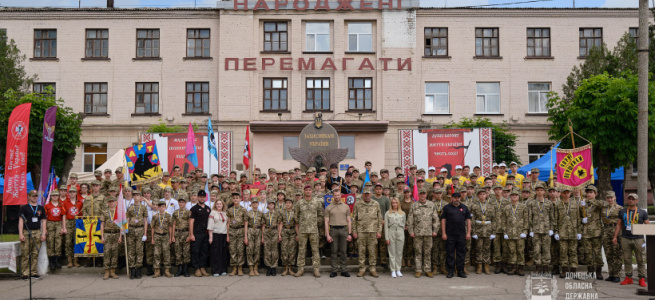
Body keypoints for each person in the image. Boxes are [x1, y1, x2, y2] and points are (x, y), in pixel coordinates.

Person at [614, 193, 650, 287]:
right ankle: (628, 278)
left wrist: (638, 230)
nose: (631, 200)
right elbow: (619, 224)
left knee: (640, 259)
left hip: (638, 239)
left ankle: (641, 278)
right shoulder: (622, 211)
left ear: (637, 201)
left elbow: (648, 225)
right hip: (625, 238)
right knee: (627, 259)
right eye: (629, 199)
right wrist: (615, 236)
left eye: (633, 199)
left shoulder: (642, 212)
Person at [407, 188, 439, 278]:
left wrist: (435, 230)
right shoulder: (414, 205)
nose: (422, 195)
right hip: (417, 233)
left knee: (427, 252)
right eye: (420, 194)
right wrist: (411, 231)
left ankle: (427, 269)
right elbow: (410, 219)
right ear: (418, 195)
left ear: (426, 195)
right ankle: (418, 269)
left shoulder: (431, 205)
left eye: (424, 194)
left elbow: (435, 219)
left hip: (428, 233)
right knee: (418, 252)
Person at [294, 185, 324, 277]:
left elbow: (320, 214)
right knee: (301, 250)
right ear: (304, 191)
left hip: (314, 230)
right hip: (302, 230)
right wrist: (301, 225)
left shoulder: (316, 202)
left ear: (312, 191)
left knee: (315, 250)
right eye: (306, 190)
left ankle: (316, 269)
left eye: (309, 190)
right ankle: (300, 269)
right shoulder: (300, 203)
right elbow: (296, 216)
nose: (308, 191)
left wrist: (315, 222)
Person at [352, 188, 382, 277]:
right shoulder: (357, 204)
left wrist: (379, 231)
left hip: (373, 231)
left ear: (371, 194)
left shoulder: (375, 204)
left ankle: (372, 269)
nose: (367, 195)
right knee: (361, 251)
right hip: (361, 231)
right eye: (365, 194)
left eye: (368, 194)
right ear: (362, 194)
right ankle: (362, 269)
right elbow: (354, 219)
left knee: (372, 251)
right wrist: (354, 231)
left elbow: (379, 219)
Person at [441, 192, 472, 278]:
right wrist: (443, 233)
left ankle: (460, 271)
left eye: (458, 197)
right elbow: (443, 221)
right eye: (455, 197)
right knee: (450, 253)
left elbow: (468, 221)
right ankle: (450, 270)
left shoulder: (464, 208)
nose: (457, 199)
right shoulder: (447, 208)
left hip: (461, 234)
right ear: (452, 198)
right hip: (450, 234)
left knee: (461, 253)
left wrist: (468, 232)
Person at [553, 186, 581, 278]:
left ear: (570, 193)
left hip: (573, 232)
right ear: (561, 194)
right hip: (562, 232)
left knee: (573, 252)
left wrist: (579, 231)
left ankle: (573, 271)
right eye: (564, 192)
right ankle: (564, 270)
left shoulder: (575, 204)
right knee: (563, 252)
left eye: (567, 193)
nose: (566, 194)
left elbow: (578, 219)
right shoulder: (558, 205)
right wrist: (556, 232)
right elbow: (555, 219)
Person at [19, 190, 47, 280]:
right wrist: (21, 233)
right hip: (27, 232)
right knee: (26, 253)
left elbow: (43, 221)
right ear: (29, 197)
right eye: (33, 196)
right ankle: (25, 273)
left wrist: (43, 233)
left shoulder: (41, 208)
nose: (35, 197)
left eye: (36, 196)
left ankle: (33, 272)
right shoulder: (24, 208)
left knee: (35, 253)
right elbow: (21, 221)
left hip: (37, 232)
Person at [324, 188, 352, 278]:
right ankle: (334, 270)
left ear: (341, 196)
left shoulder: (346, 207)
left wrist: (349, 233)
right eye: (335, 195)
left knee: (343, 251)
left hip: (343, 230)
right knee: (334, 251)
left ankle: (344, 270)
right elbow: (326, 222)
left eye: (338, 195)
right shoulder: (328, 207)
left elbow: (349, 221)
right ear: (333, 196)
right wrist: (327, 235)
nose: (337, 197)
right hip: (333, 230)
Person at [528, 183, 554, 274]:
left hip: (546, 230)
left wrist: (552, 229)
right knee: (536, 249)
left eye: (541, 190)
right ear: (535, 192)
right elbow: (529, 217)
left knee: (546, 249)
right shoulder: (531, 203)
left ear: (544, 192)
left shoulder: (549, 203)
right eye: (538, 190)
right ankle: (538, 266)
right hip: (535, 230)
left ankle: (545, 267)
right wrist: (530, 230)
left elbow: (552, 217)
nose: (539, 192)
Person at [502, 190, 529, 276]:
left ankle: (520, 268)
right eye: (512, 195)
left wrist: (525, 231)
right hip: (510, 233)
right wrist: (505, 232)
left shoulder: (523, 207)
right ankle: (513, 267)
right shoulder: (506, 208)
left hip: (520, 233)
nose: (514, 196)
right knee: (512, 250)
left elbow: (526, 220)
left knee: (520, 251)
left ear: (518, 196)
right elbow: (504, 221)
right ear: (510, 197)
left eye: (516, 195)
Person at [470, 188, 496, 275]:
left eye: (484, 194)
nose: (482, 196)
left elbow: (494, 219)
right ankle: (479, 266)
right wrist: (473, 232)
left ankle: (486, 265)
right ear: (478, 196)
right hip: (478, 229)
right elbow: (472, 220)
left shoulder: (491, 206)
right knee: (478, 248)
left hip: (488, 229)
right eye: (480, 194)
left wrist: (493, 232)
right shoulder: (474, 206)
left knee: (487, 248)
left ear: (486, 195)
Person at [126, 189, 148, 279]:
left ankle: (138, 269)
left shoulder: (143, 208)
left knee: (139, 250)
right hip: (131, 230)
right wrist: (126, 228)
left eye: (137, 196)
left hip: (140, 229)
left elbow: (146, 221)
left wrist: (145, 234)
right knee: (131, 250)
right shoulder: (130, 207)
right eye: (134, 196)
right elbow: (127, 219)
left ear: (140, 197)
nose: (136, 197)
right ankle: (132, 270)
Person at [189, 190, 211, 277]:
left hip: (205, 234)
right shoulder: (193, 209)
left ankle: (202, 267)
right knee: (195, 251)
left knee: (204, 251)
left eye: (203, 197)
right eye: (200, 197)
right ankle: (196, 268)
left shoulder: (208, 208)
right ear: (198, 198)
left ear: (205, 198)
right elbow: (191, 222)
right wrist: (191, 234)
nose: (202, 198)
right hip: (196, 233)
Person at [601, 191, 622, 283]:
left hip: (615, 230)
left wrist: (617, 235)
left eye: (611, 197)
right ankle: (611, 274)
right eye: (608, 198)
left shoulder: (620, 208)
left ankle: (616, 275)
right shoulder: (604, 208)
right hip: (606, 230)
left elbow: (622, 221)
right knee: (608, 253)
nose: (610, 199)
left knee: (616, 253)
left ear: (615, 198)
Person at [44, 190, 67, 271]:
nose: (55, 197)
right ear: (51, 197)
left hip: (58, 223)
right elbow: (45, 218)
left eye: (56, 196)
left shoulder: (61, 205)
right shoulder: (47, 205)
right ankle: (51, 261)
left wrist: (63, 227)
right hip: (50, 223)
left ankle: (57, 260)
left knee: (58, 241)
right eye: (53, 196)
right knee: (50, 241)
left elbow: (63, 216)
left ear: (58, 197)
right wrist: (45, 228)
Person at [100, 196, 121, 280]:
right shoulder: (105, 212)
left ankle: (113, 272)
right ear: (108, 203)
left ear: (116, 202)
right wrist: (102, 236)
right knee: (107, 253)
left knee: (115, 253)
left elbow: (121, 225)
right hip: (107, 234)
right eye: (110, 202)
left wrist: (120, 236)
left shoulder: (118, 212)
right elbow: (102, 225)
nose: (111, 203)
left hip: (116, 234)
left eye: (113, 202)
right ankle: (106, 272)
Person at [227, 192, 247, 276]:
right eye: (234, 198)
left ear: (240, 199)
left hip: (240, 230)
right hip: (232, 231)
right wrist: (227, 235)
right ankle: (234, 268)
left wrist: (245, 236)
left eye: (237, 198)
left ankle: (240, 268)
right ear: (232, 199)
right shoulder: (229, 210)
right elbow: (228, 223)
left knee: (240, 250)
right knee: (232, 250)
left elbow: (246, 223)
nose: (235, 199)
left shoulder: (243, 210)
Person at [151, 200, 173, 278]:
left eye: (163, 206)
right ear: (158, 207)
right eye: (159, 207)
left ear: (165, 207)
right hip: (157, 235)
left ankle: (167, 270)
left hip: (165, 235)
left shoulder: (168, 216)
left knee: (166, 253)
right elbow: (153, 227)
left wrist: (170, 237)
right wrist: (152, 238)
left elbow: (170, 227)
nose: (161, 208)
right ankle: (157, 271)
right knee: (157, 253)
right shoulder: (155, 216)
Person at [385, 198, 406, 278]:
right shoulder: (388, 213)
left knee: (399, 253)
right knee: (392, 253)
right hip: (391, 232)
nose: (394, 204)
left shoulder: (402, 213)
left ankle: (398, 269)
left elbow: (403, 224)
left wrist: (401, 232)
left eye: (396, 203)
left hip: (400, 233)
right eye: (393, 203)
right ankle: (393, 270)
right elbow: (386, 226)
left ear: (398, 204)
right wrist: (387, 237)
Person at [63, 187, 83, 268]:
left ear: (76, 193)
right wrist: (64, 227)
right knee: (68, 242)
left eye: (73, 192)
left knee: (77, 241)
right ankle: (69, 260)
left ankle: (76, 260)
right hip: (68, 222)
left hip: (77, 223)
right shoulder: (65, 202)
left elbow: (82, 215)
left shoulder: (80, 203)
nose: (72, 193)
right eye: (70, 192)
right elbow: (64, 215)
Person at [371, 183, 390, 269]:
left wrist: (385, 220)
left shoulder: (385, 199)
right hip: (373, 224)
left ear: (382, 190)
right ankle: (373, 261)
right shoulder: (371, 199)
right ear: (374, 190)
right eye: (377, 188)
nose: (378, 190)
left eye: (380, 189)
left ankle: (383, 261)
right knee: (374, 244)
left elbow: (388, 211)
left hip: (383, 223)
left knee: (382, 243)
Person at [208, 199, 229, 276]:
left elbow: (227, 224)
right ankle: (215, 270)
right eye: (217, 204)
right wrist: (210, 237)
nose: (219, 205)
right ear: (215, 205)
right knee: (215, 253)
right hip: (215, 234)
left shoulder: (225, 213)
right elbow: (210, 225)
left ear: (223, 205)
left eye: (220, 204)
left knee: (223, 253)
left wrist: (227, 236)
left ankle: (223, 269)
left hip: (223, 234)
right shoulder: (213, 213)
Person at [172, 197, 191, 277]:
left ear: (185, 203)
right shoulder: (175, 212)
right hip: (177, 233)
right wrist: (172, 235)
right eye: (180, 202)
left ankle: (185, 269)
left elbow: (190, 224)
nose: (181, 204)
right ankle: (179, 269)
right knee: (178, 251)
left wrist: (190, 235)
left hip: (185, 232)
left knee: (186, 252)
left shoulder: (188, 212)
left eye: (183, 202)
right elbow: (174, 224)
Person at [278, 198, 297, 276]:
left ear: (292, 204)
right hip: (285, 231)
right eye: (287, 203)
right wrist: (279, 234)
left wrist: (298, 234)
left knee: (292, 250)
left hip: (292, 232)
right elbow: (280, 223)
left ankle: (291, 269)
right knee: (284, 249)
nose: (288, 204)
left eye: (290, 203)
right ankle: (285, 268)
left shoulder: (294, 212)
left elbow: (296, 224)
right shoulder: (282, 212)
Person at [246, 199, 265, 276]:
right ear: (251, 204)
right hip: (250, 230)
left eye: (256, 203)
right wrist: (245, 236)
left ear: (258, 204)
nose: (254, 204)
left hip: (258, 231)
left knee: (257, 249)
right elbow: (246, 225)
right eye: (253, 203)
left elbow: (263, 225)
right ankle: (251, 268)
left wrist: (262, 236)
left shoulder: (261, 214)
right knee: (250, 249)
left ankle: (256, 268)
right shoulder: (248, 213)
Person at [262, 199, 280, 276]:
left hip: (275, 231)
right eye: (270, 204)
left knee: (274, 249)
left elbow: (279, 224)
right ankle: (268, 267)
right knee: (267, 249)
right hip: (267, 232)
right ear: (268, 205)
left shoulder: (277, 214)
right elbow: (263, 225)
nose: (271, 205)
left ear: (274, 205)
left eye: (272, 204)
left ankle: (274, 267)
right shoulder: (265, 214)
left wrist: (279, 234)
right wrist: (262, 236)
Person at [400, 189, 414, 268]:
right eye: (405, 192)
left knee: (410, 243)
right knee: (402, 243)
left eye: (408, 192)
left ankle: (408, 259)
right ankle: (402, 260)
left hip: (410, 225)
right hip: (402, 225)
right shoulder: (401, 203)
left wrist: (409, 225)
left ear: (411, 193)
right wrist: (403, 224)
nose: (407, 194)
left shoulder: (413, 203)